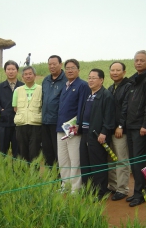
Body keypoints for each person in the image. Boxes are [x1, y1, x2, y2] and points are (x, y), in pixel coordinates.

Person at [78, 68, 115, 200]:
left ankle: (100, 192)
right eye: (89, 77)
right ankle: (88, 190)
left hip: (97, 135)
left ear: (101, 80)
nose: (90, 80)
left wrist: (104, 132)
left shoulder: (106, 95)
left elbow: (109, 116)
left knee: (98, 164)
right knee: (85, 164)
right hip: (85, 134)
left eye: (94, 78)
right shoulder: (89, 94)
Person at [126, 50, 146, 207]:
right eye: (136, 60)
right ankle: (139, 191)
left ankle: (141, 194)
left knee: (139, 162)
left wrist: (145, 125)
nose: (138, 62)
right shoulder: (134, 80)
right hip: (130, 126)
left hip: (141, 128)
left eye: (142, 60)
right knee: (133, 161)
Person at [56, 59, 90, 192]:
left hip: (73, 129)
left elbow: (82, 107)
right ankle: (65, 185)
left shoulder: (82, 85)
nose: (70, 70)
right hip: (60, 128)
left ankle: (76, 188)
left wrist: (78, 126)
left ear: (78, 70)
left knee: (74, 159)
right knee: (63, 159)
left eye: (73, 68)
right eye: (67, 68)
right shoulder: (65, 86)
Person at [107, 62, 132, 201]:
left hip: (120, 130)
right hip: (110, 129)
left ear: (124, 71)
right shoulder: (111, 88)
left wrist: (121, 126)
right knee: (110, 159)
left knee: (121, 159)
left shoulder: (128, 86)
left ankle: (122, 189)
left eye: (118, 70)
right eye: (112, 70)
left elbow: (126, 108)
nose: (115, 72)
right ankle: (113, 186)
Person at [0, 60, 24, 158]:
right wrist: (1, 111)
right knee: (3, 150)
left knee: (18, 151)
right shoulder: (0, 87)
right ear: (5, 71)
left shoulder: (23, 86)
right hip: (4, 123)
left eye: (13, 69)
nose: (11, 71)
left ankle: (17, 172)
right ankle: (4, 172)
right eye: (8, 69)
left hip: (18, 124)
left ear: (17, 71)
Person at [41, 55, 67, 167]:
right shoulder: (46, 80)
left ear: (60, 64)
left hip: (58, 123)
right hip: (45, 121)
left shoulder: (66, 80)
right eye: (49, 64)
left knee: (59, 153)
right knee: (47, 151)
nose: (52, 66)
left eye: (54, 64)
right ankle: (49, 176)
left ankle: (60, 179)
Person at [12, 66, 42, 162]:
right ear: (22, 77)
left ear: (35, 75)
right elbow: (15, 108)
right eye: (26, 74)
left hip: (36, 125)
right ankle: (25, 175)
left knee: (35, 152)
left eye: (30, 74)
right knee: (22, 152)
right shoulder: (17, 90)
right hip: (21, 125)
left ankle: (35, 175)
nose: (28, 76)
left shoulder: (41, 89)